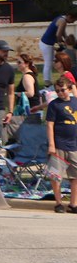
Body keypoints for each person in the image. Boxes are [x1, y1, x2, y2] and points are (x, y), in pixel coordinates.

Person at [45, 75, 77, 213]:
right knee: (55, 175)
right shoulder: (54, 105)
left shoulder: (75, 102)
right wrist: (51, 144)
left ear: (69, 89)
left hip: (74, 144)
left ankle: (73, 203)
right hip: (59, 144)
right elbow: (50, 125)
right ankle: (58, 203)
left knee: (75, 176)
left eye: (62, 90)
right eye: (57, 91)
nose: (60, 93)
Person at [39, 11, 77, 83]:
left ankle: (49, 81)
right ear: (69, 17)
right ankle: (47, 82)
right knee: (48, 63)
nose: (73, 22)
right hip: (47, 43)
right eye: (73, 20)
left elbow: (63, 33)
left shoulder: (62, 18)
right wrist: (61, 43)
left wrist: (66, 41)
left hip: (46, 43)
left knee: (50, 63)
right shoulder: (63, 21)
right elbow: (58, 35)